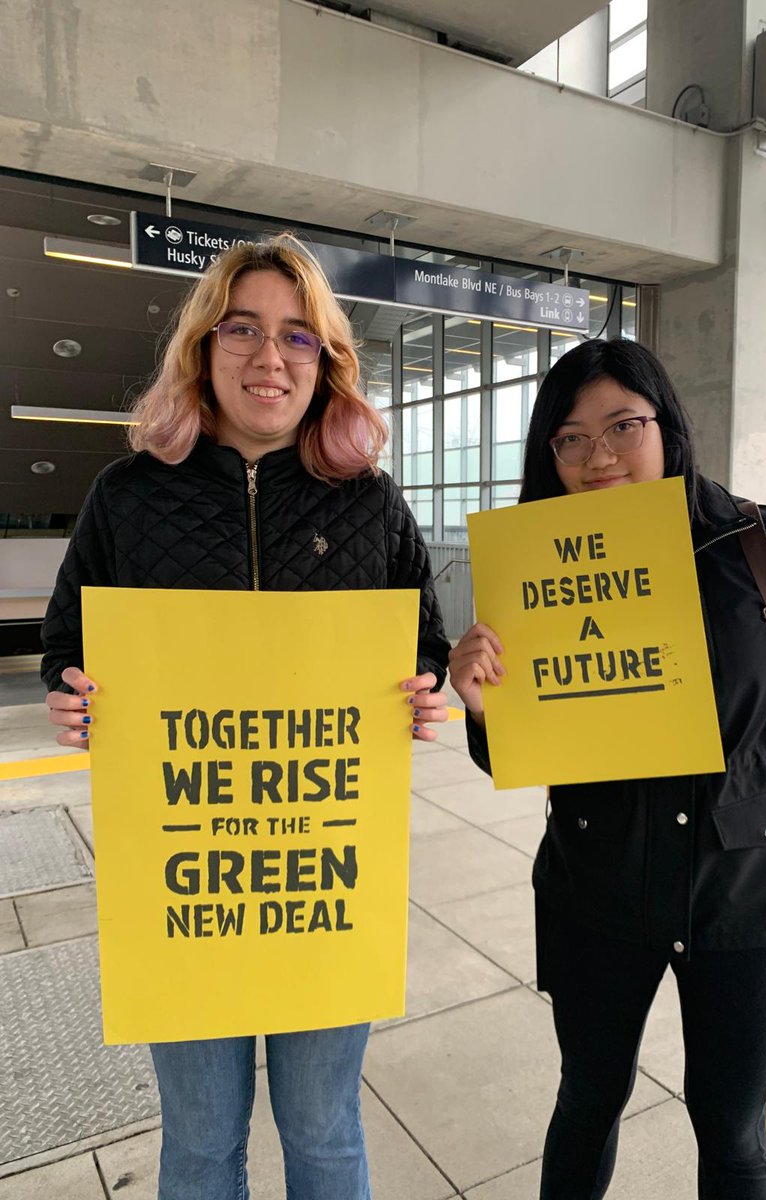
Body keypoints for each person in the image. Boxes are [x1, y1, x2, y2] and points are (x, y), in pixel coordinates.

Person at [41, 234, 450, 1200]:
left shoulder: (370, 503)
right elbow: (70, 637)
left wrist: (424, 686)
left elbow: (421, 639)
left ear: (326, 361)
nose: (271, 358)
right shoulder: (129, 497)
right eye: (244, 330)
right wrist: (74, 688)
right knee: (199, 1142)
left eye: (299, 337)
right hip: (186, 885)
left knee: (321, 1134)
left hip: (321, 884)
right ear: (203, 348)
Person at [449, 337, 766, 1200]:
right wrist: (479, 703)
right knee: (588, 1098)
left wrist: (739, 724)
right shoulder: (538, 564)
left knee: (731, 1129)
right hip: (597, 879)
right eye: (571, 437)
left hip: (746, 878)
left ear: (668, 427)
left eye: (624, 425)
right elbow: (519, 745)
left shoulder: (756, 539)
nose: (600, 455)